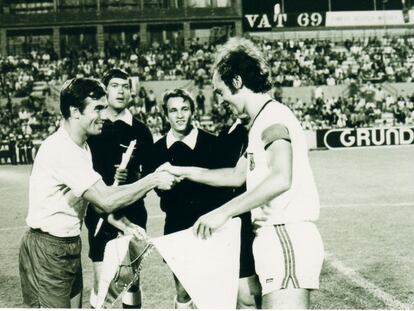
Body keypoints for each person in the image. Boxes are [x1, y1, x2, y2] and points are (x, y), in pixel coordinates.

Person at [160, 37, 324, 309]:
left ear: (237, 82)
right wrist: (181, 170)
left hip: (285, 233)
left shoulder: (273, 118)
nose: (221, 100)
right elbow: (236, 176)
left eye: (221, 91)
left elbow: (281, 177)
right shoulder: (258, 122)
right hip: (273, 237)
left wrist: (223, 212)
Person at [18, 77, 176, 308]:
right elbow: (106, 199)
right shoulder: (62, 150)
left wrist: (125, 225)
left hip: (67, 245)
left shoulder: (81, 147)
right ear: (75, 111)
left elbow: (96, 202)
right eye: (98, 109)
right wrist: (152, 179)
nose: (104, 115)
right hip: (49, 248)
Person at [149, 89, 259, 309]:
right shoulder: (156, 150)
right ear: (165, 114)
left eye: (184, 109)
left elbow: (227, 182)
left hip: (210, 228)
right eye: (173, 110)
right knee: (183, 292)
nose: (179, 115)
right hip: (177, 229)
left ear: (193, 112)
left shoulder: (213, 143)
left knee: (218, 293)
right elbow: (157, 189)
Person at [85, 69, 153, 309]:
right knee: (102, 281)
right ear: (105, 91)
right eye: (115, 85)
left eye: (125, 86)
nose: (121, 90)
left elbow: (149, 177)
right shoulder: (93, 128)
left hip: (133, 213)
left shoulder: (141, 130)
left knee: (131, 281)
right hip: (99, 213)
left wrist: (132, 176)